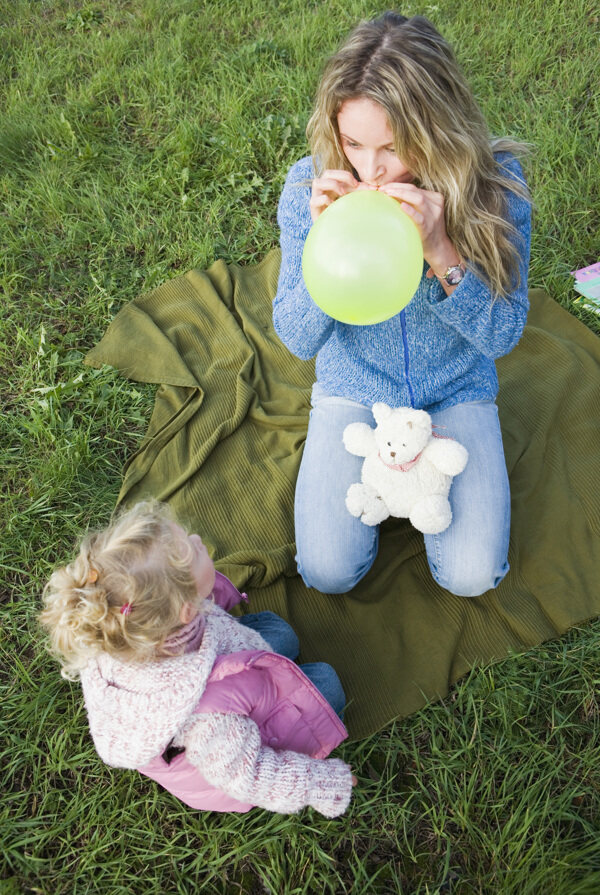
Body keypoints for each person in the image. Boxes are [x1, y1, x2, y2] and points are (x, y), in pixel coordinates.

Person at [273, 12, 532, 598]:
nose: (370, 169)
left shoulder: (497, 186)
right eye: (355, 143)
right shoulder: (308, 187)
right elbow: (295, 337)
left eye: (393, 147)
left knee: (472, 576)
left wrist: (441, 251)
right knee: (327, 572)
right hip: (353, 387)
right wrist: (323, 250)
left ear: (437, 128)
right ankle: (381, 490)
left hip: (455, 388)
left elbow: (502, 335)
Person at [40, 501, 355, 817]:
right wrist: (321, 783)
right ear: (187, 610)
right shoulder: (210, 721)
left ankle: (268, 670)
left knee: (279, 632)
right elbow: (252, 776)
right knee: (326, 683)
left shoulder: (123, 628)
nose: (197, 541)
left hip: (220, 670)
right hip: (233, 746)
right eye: (192, 552)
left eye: (188, 538)